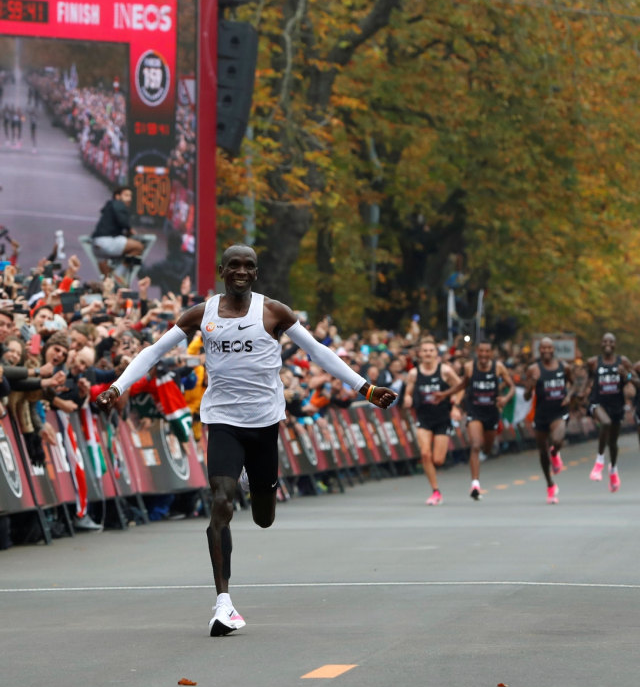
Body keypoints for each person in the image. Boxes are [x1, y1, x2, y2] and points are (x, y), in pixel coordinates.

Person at [96, 243, 396, 636]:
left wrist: (365, 388)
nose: (241, 271)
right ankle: (223, 603)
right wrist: (117, 387)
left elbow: (318, 351)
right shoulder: (202, 314)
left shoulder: (274, 312)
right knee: (220, 501)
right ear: (222, 270)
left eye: (248, 266)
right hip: (222, 420)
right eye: (233, 265)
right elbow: (153, 353)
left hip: (264, 422)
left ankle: (257, 486)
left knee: (263, 517)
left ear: (256, 273)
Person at [435, 339, 515, 500]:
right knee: (476, 445)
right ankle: (475, 484)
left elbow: (512, 386)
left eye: (487, 351)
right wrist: (444, 394)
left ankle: (485, 452)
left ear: (491, 353)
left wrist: (505, 398)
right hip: (474, 411)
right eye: (481, 351)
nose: (484, 354)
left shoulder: (498, 367)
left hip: (491, 412)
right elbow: (462, 385)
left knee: (487, 448)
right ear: (477, 352)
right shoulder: (469, 367)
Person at [402, 338, 459, 505]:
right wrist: (407, 398)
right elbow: (408, 392)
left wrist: (456, 405)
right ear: (420, 354)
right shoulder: (414, 373)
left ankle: (435, 485)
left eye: (431, 350)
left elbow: (460, 386)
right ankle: (435, 491)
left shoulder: (445, 370)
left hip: (442, 418)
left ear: (436, 353)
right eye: (425, 350)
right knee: (425, 454)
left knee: (438, 460)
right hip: (423, 418)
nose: (428, 353)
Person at [524, 338, 574, 504]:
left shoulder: (564, 367)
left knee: (557, 440)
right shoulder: (533, 369)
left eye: (549, 348)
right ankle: (550, 485)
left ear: (553, 349)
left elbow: (573, 384)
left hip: (559, 412)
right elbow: (526, 396)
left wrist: (568, 395)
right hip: (541, 414)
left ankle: (555, 453)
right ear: (539, 350)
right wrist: (532, 383)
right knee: (542, 452)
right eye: (543, 348)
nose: (546, 350)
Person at [585, 333, 633, 492]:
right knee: (605, 422)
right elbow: (586, 380)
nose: (608, 344)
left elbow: (634, 379)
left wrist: (626, 375)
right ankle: (599, 462)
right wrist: (581, 393)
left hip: (616, 406)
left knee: (613, 443)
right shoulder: (593, 362)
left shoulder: (623, 361)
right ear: (601, 344)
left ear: (615, 344)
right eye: (605, 341)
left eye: (611, 341)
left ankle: (613, 470)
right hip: (597, 403)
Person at [90, 185, 144, 277]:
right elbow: (123, 221)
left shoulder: (109, 207)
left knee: (108, 280)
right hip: (107, 243)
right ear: (117, 196)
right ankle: (119, 273)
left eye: (130, 196)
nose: (129, 199)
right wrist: (129, 229)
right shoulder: (118, 204)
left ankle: (113, 278)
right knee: (138, 247)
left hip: (96, 246)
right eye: (126, 195)